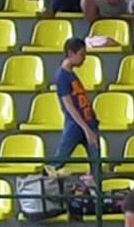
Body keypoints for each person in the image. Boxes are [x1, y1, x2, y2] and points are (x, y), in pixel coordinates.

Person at [53, 38, 101, 172]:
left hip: (88, 122)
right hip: (76, 125)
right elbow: (69, 106)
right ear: (71, 53)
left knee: (96, 165)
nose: (84, 59)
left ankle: (97, 191)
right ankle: (43, 186)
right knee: (59, 160)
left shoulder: (71, 74)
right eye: (81, 55)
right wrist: (86, 129)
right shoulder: (62, 75)